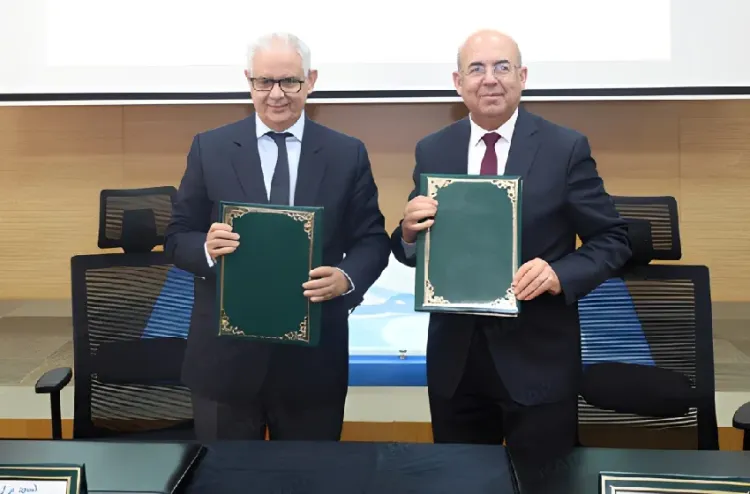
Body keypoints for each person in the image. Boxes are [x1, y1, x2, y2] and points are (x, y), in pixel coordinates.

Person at [391, 30, 632, 462]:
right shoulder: (433, 149)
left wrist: (559, 273)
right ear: (458, 82)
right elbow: (415, 248)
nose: (490, 79)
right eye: (476, 69)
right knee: (460, 481)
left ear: (522, 77)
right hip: (456, 364)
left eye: (502, 67)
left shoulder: (564, 148)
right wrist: (408, 233)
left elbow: (613, 239)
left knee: (545, 483)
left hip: (537, 359)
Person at [165, 32, 390, 441]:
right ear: (249, 81)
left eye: (289, 81)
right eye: (264, 82)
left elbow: (372, 239)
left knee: (309, 472)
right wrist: (206, 249)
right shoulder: (210, 148)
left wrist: (346, 278)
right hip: (225, 362)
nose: (276, 94)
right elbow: (177, 236)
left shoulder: (346, 153)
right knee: (225, 473)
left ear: (311, 80)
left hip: (312, 362)